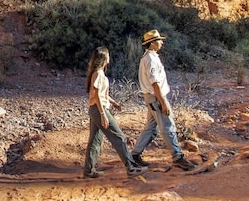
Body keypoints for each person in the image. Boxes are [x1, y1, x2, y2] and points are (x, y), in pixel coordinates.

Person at [130, 30, 196, 171]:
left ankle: (135, 155)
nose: (162, 42)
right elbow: (155, 83)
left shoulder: (148, 57)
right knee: (168, 126)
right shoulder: (151, 59)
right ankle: (177, 157)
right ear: (152, 43)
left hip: (152, 98)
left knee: (151, 128)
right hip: (156, 97)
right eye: (159, 40)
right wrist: (163, 101)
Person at [83, 46, 148, 178]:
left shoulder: (98, 73)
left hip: (95, 109)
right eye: (108, 55)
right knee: (119, 137)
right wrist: (103, 114)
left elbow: (101, 94)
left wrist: (114, 103)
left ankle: (89, 170)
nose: (109, 57)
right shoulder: (98, 74)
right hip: (98, 109)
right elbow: (96, 96)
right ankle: (131, 167)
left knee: (95, 140)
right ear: (104, 58)